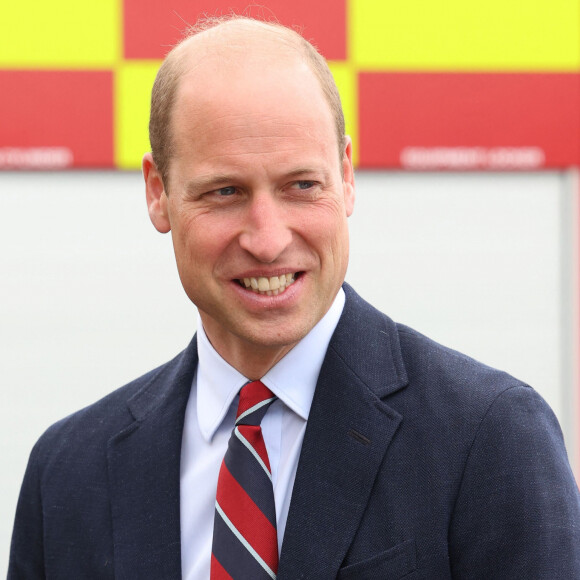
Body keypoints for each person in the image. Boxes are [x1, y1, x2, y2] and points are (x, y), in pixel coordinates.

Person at [8, 15, 580, 580]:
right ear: (158, 193)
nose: (268, 238)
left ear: (347, 175)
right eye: (225, 192)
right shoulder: (67, 475)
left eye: (301, 186)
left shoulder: (489, 437)